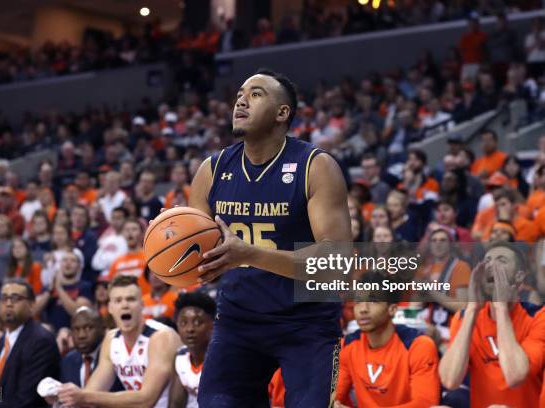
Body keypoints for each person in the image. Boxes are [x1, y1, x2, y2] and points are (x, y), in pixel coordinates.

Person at [188, 69, 351, 407]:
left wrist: (250, 254)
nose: (241, 100)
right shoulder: (212, 171)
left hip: (307, 323)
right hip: (238, 321)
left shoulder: (315, 167)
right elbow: (196, 258)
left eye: (256, 94)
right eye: (239, 95)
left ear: (282, 113)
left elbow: (338, 264)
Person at [439, 242, 545, 407]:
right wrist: (472, 308)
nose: (491, 266)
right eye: (487, 260)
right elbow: (450, 380)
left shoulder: (539, 317)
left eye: (501, 260)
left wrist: (501, 308)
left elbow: (515, 376)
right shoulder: (465, 317)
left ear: (519, 277)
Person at [56, 274, 181, 407]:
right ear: (110, 308)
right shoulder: (111, 340)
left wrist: (82, 396)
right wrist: (63, 398)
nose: (125, 305)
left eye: (131, 299)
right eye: (118, 300)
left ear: (142, 305)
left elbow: (146, 399)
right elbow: (92, 391)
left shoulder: (161, 337)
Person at [334, 273, 440, 407]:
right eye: (358, 302)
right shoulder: (347, 345)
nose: (363, 309)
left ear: (392, 309)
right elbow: (334, 396)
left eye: (373, 301)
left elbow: (425, 404)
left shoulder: (419, 346)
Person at [0, 278, 60, 407]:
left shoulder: (41, 341)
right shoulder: (2, 341)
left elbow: (24, 400)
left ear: (32, 304)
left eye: (15, 298)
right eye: (4, 298)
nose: (8, 303)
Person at [168, 292, 216, 408]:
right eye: (183, 323)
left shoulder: (223, 358)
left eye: (197, 322)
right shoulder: (180, 358)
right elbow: (176, 404)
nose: (190, 329)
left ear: (213, 324)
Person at [60, 306, 122, 391]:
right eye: (76, 329)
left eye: (88, 328)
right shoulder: (67, 361)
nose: (81, 335)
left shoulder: (116, 357)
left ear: (103, 330)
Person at [35, 250, 92, 331]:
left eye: (73, 261)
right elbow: (34, 311)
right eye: (65, 260)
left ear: (79, 267)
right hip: (50, 333)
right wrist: (50, 291)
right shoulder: (48, 288)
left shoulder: (85, 287)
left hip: (73, 334)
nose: (68, 263)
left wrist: (59, 288)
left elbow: (78, 313)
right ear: (60, 265)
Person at [108, 219, 149, 294]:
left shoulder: (149, 256)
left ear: (142, 234)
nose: (130, 232)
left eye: (134, 229)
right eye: (127, 230)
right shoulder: (116, 262)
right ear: (123, 234)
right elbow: (111, 286)